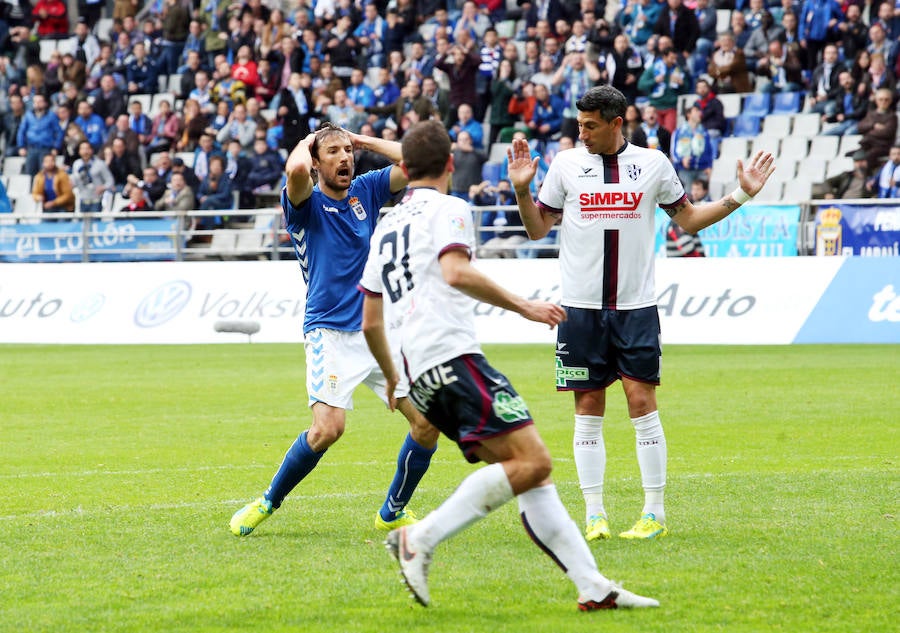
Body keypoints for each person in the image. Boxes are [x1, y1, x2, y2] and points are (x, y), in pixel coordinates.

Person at [360, 118, 658, 611]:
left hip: (418, 370)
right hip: (452, 357)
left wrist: (395, 379)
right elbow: (456, 271)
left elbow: (371, 319)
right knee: (535, 461)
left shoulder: (387, 222)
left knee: (531, 473)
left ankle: (594, 587)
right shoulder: (450, 206)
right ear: (452, 165)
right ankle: (420, 538)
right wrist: (526, 306)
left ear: (404, 168)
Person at [507, 85, 775, 541]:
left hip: (635, 308)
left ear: (616, 123)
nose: (582, 133)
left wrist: (740, 196)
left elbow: (688, 219)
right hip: (580, 311)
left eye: (591, 126)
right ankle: (595, 515)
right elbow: (536, 230)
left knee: (642, 405)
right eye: (579, 125)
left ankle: (654, 514)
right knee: (587, 408)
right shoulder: (566, 165)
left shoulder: (653, 164)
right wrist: (521, 190)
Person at [229, 123, 441, 537]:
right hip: (329, 331)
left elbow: (417, 162)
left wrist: (362, 141)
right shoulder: (304, 202)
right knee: (328, 429)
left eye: (348, 151)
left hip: (377, 329)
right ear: (315, 162)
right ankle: (268, 501)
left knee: (428, 423)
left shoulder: (366, 189)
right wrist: (309, 143)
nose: (345, 158)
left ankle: (393, 511)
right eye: (334, 153)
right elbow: (293, 172)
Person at [666, 178, 708, 257]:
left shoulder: (683, 221)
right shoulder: (676, 224)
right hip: (683, 267)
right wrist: (702, 263)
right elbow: (687, 249)